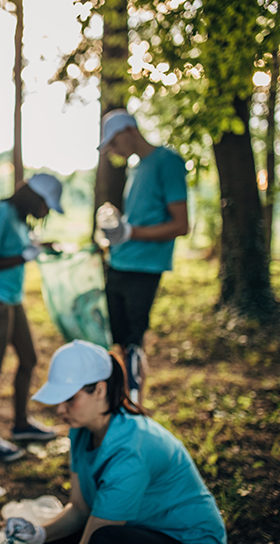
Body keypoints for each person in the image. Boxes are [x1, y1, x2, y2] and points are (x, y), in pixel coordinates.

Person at [4, 340, 226, 544]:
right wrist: (40, 534)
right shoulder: (80, 431)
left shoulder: (131, 450)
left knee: (103, 538)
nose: (60, 410)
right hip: (138, 530)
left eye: (70, 398)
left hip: (185, 539)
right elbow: (80, 509)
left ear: (100, 389)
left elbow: (100, 532)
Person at [97, 109, 189, 405]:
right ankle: (120, 403)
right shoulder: (136, 168)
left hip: (143, 270)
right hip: (118, 264)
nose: (112, 151)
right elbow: (137, 221)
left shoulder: (168, 162)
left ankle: (136, 408)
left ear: (129, 131)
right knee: (120, 344)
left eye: (113, 143)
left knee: (135, 345)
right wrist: (115, 233)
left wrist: (131, 233)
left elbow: (180, 224)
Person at [0, 173, 64, 462]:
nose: (46, 212)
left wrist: (42, 248)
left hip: (13, 299)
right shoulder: (2, 213)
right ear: (33, 197)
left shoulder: (20, 218)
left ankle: (21, 425)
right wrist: (23, 257)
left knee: (29, 358)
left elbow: (19, 248)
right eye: (46, 205)